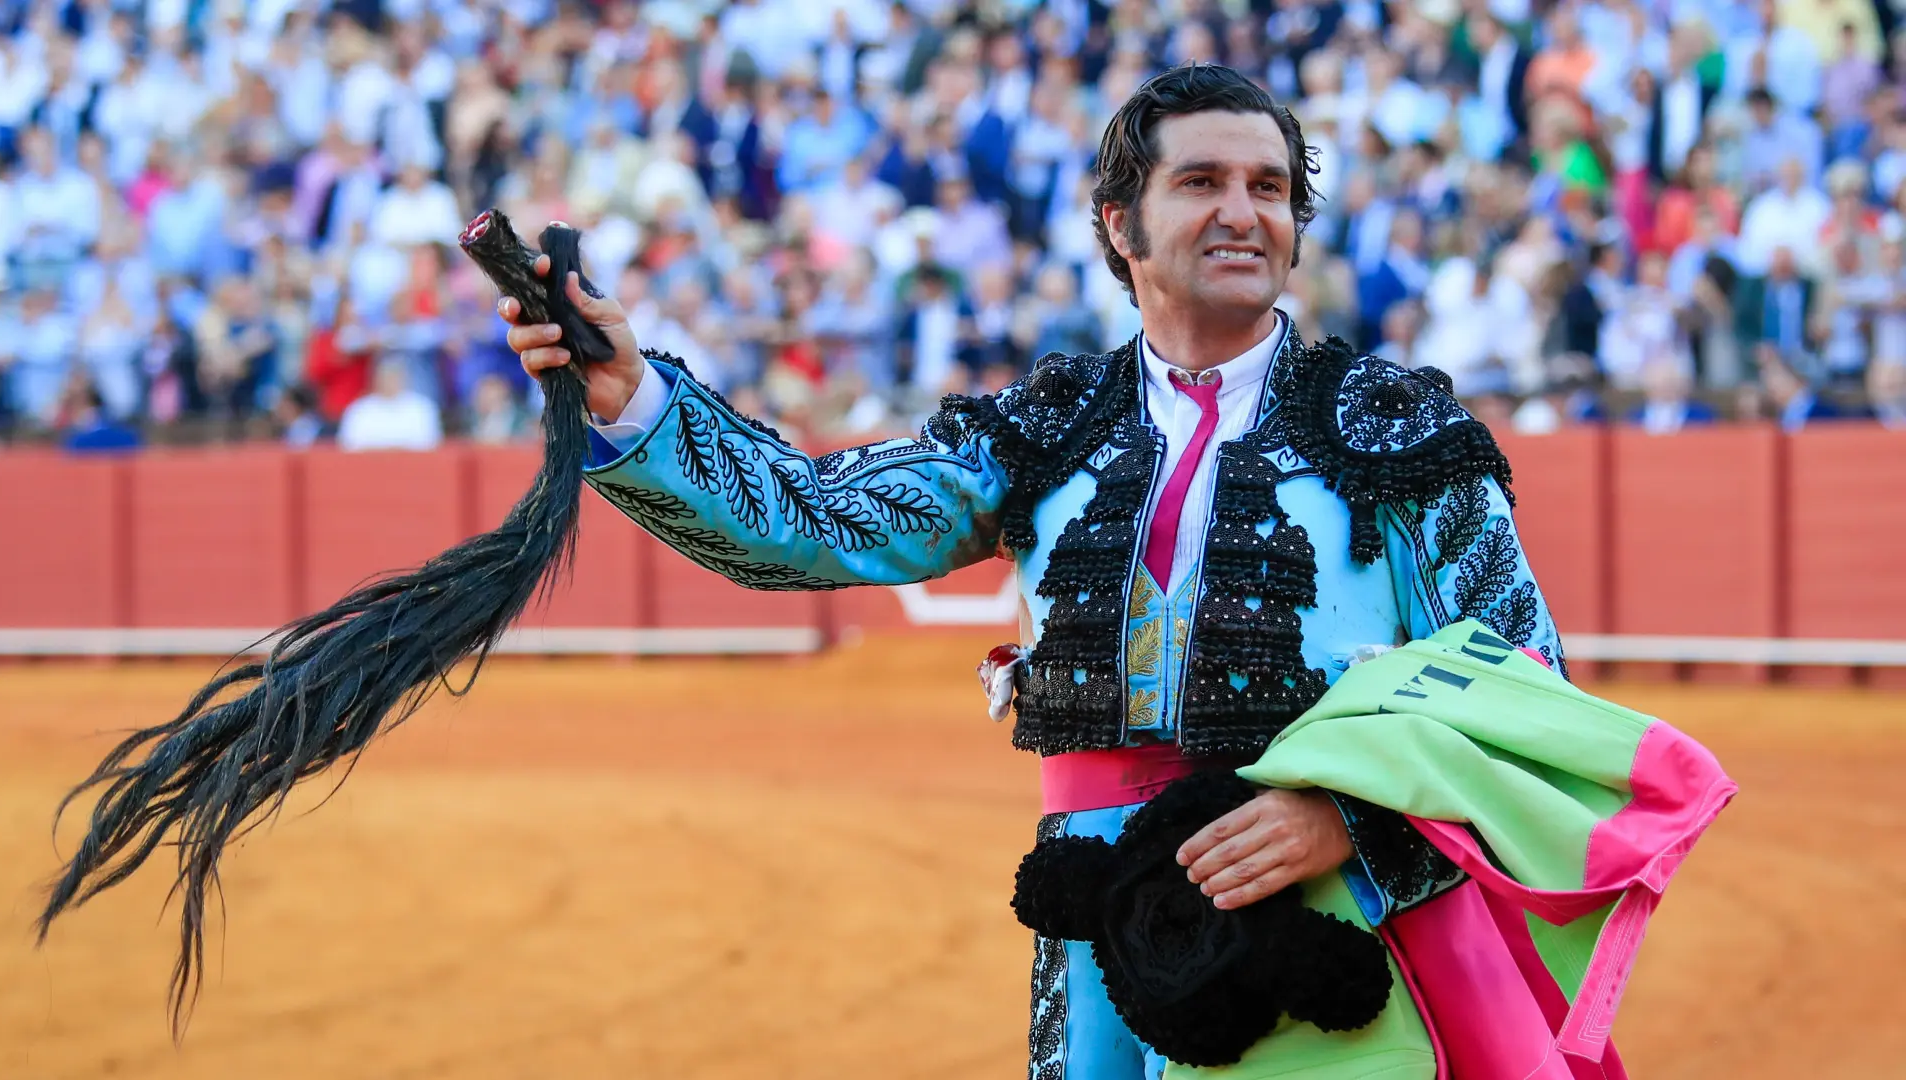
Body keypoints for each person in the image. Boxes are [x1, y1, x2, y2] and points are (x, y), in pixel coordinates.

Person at [497, 65, 1697, 1079]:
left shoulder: (1397, 428)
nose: (1245, 213)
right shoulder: (1048, 426)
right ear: (1120, 224)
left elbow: (1522, 682)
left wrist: (1355, 818)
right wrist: (631, 395)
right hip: (1099, 929)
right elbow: (815, 521)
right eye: (1203, 182)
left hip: (1338, 917)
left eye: (1269, 188)